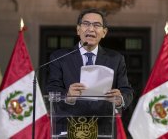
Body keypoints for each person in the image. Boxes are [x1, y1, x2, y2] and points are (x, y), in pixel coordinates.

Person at [46, 8, 133, 136]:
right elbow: (52, 90)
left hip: (103, 130)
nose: (91, 29)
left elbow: (127, 91)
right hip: (68, 128)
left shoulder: (116, 59)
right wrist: (67, 95)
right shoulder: (60, 57)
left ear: (104, 32)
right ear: (78, 29)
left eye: (97, 25)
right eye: (86, 24)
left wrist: (120, 98)